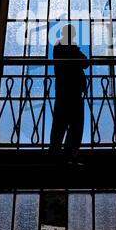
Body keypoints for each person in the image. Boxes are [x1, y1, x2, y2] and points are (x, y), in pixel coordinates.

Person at [49, 24, 88, 164]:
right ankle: (68, 155)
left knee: (60, 124)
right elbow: (85, 63)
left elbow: (83, 62)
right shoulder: (68, 47)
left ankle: (58, 155)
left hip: (64, 90)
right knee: (75, 125)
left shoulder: (59, 47)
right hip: (72, 91)